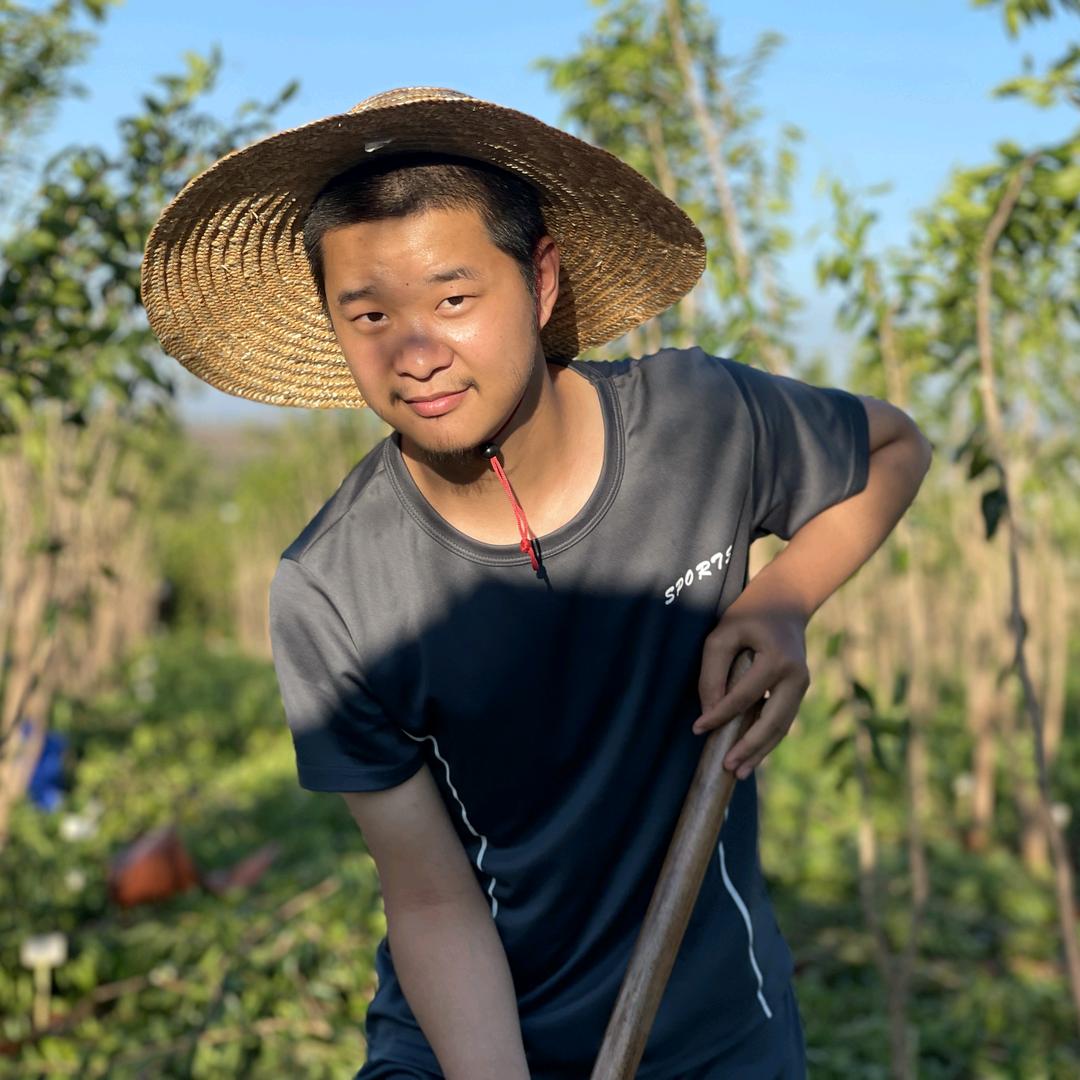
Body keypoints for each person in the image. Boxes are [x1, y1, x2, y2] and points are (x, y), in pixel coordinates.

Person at [142, 87, 933, 1079]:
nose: (416, 352)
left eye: (454, 299)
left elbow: (896, 445)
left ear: (541, 280)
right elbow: (428, 897)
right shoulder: (335, 588)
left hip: (711, 1033)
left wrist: (783, 600)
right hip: (461, 1037)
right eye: (371, 314)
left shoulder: (699, 427)